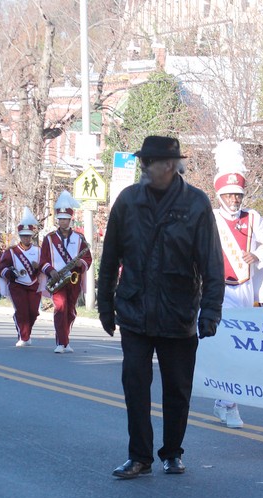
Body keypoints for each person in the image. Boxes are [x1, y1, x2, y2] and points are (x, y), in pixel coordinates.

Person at [97, 135, 224, 479]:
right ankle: (139, 456)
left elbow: (212, 264)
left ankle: (172, 452)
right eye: (143, 162)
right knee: (135, 385)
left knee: (177, 389)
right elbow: (110, 258)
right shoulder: (128, 201)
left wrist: (210, 312)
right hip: (135, 310)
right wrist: (105, 306)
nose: (144, 168)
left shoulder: (196, 204)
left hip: (179, 312)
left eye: (149, 162)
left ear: (169, 165)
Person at [209, 140, 263, 428]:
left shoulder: (253, 218)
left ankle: (223, 401)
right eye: (229, 195)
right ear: (220, 195)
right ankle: (231, 404)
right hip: (218, 290)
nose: (235, 200)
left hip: (246, 288)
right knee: (230, 346)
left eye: (238, 195)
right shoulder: (210, 218)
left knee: (240, 347)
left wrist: (260, 254)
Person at [40, 191, 92, 353]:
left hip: (73, 279)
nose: (63, 222)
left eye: (66, 219)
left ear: (70, 220)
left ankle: (65, 340)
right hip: (57, 278)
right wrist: (51, 271)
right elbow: (43, 260)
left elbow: (88, 259)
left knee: (71, 310)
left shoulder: (79, 238)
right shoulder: (49, 238)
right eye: (60, 219)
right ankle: (60, 342)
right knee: (60, 308)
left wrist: (79, 263)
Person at [0, 209, 43, 347]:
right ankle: (23, 336)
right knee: (22, 311)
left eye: (28, 236)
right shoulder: (11, 251)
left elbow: (45, 265)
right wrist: (9, 274)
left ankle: (26, 332)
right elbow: (2, 268)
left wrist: (38, 267)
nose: (26, 239)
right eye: (23, 236)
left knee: (34, 312)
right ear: (20, 236)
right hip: (17, 284)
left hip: (34, 284)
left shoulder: (38, 250)